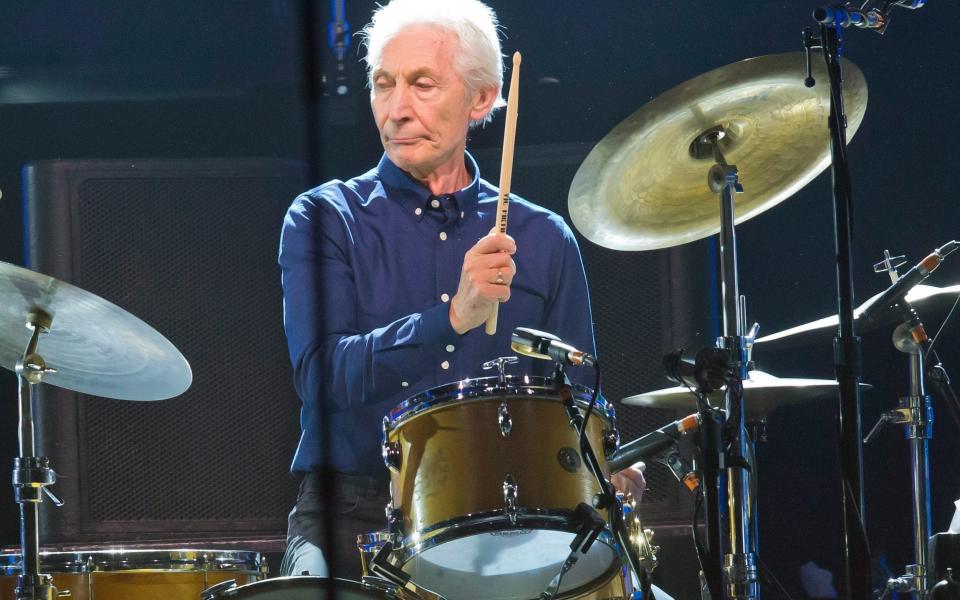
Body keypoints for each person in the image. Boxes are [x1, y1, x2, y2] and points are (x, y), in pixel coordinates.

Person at [278, 0, 649, 587]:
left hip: (505, 522)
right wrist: (452, 317)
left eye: (422, 84)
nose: (397, 109)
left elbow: (573, 405)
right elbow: (323, 375)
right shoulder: (326, 217)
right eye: (383, 84)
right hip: (350, 512)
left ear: (481, 99)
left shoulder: (543, 239)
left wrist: (604, 467)